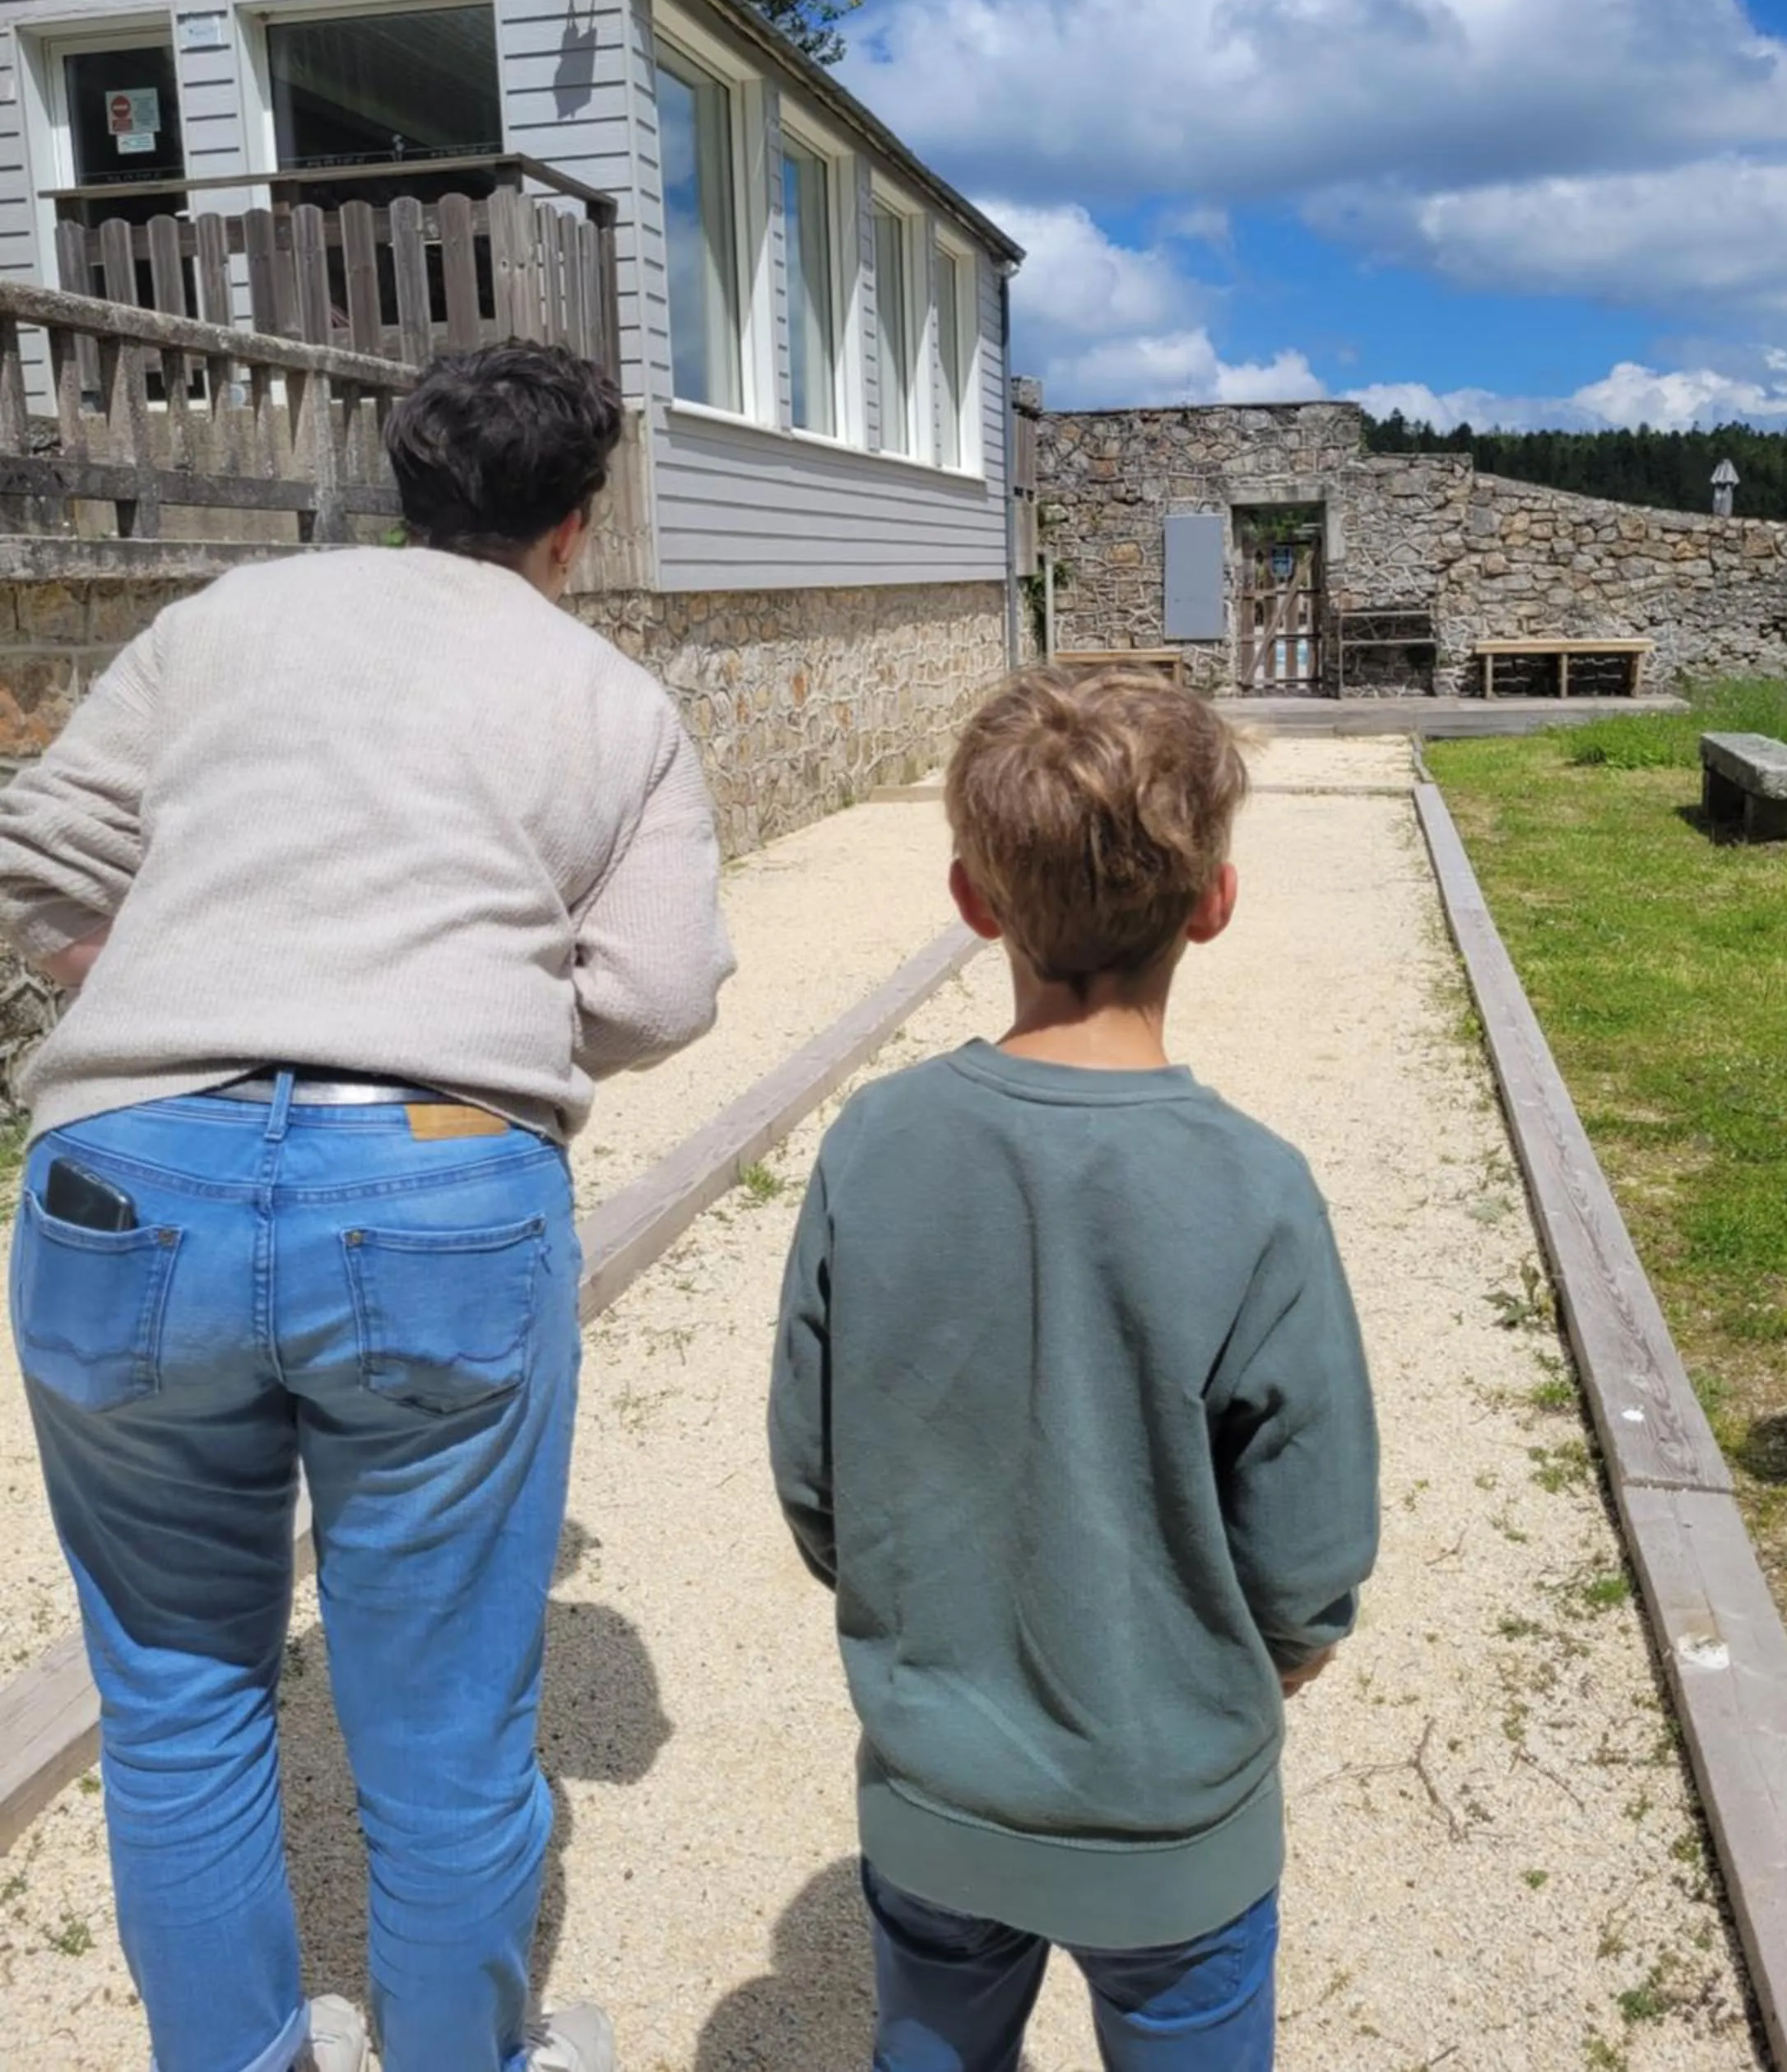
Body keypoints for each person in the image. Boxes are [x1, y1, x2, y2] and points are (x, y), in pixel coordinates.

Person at [0, 341, 735, 2072]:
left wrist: (163, 983)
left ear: (403, 486)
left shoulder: (220, 627)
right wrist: (452, 1022)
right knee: (449, 1734)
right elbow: (656, 996)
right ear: (579, 518)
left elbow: (35, 856)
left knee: (177, 1701)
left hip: (127, 1169)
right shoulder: (610, 701)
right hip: (431, 1181)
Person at [768, 667, 1379, 2072]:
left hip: (936, 1781)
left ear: (974, 900)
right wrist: (1278, 1648)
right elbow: (1308, 1534)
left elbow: (814, 1476)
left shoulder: (876, 1142)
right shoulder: (1254, 1188)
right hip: (1171, 1811)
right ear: (1213, 901)